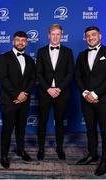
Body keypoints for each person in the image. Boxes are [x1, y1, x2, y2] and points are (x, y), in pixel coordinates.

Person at [75, 26, 106, 176]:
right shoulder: (81, 55)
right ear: (85, 38)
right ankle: (92, 154)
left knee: (105, 130)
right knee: (90, 128)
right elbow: (77, 77)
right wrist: (86, 93)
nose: (91, 37)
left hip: (104, 99)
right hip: (86, 98)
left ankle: (105, 160)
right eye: (88, 35)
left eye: (93, 35)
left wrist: (95, 94)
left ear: (99, 36)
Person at [0, 31, 36, 169]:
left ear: (27, 42)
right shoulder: (3, 58)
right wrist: (16, 95)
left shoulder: (30, 60)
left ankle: (21, 150)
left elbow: (32, 79)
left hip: (24, 101)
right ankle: (4, 155)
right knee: (7, 129)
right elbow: (3, 78)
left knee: (21, 128)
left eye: (24, 40)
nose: (21, 42)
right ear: (13, 41)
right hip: (9, 101)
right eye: (18, 40)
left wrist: (24, 93)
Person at [36, 24, 74, 161]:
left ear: (61, 36)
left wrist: (58, 88)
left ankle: (60, 148)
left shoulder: (68, 52)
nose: (56, 37)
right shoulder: (41, 51)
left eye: (58, 34)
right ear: (48, 35)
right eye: (53, 34)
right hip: (45, 93)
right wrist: (48, 88)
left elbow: (70, 73)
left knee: (59, 122)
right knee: (42, 122)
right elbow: (38, 73)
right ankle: (41, 149)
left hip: (61, 93)